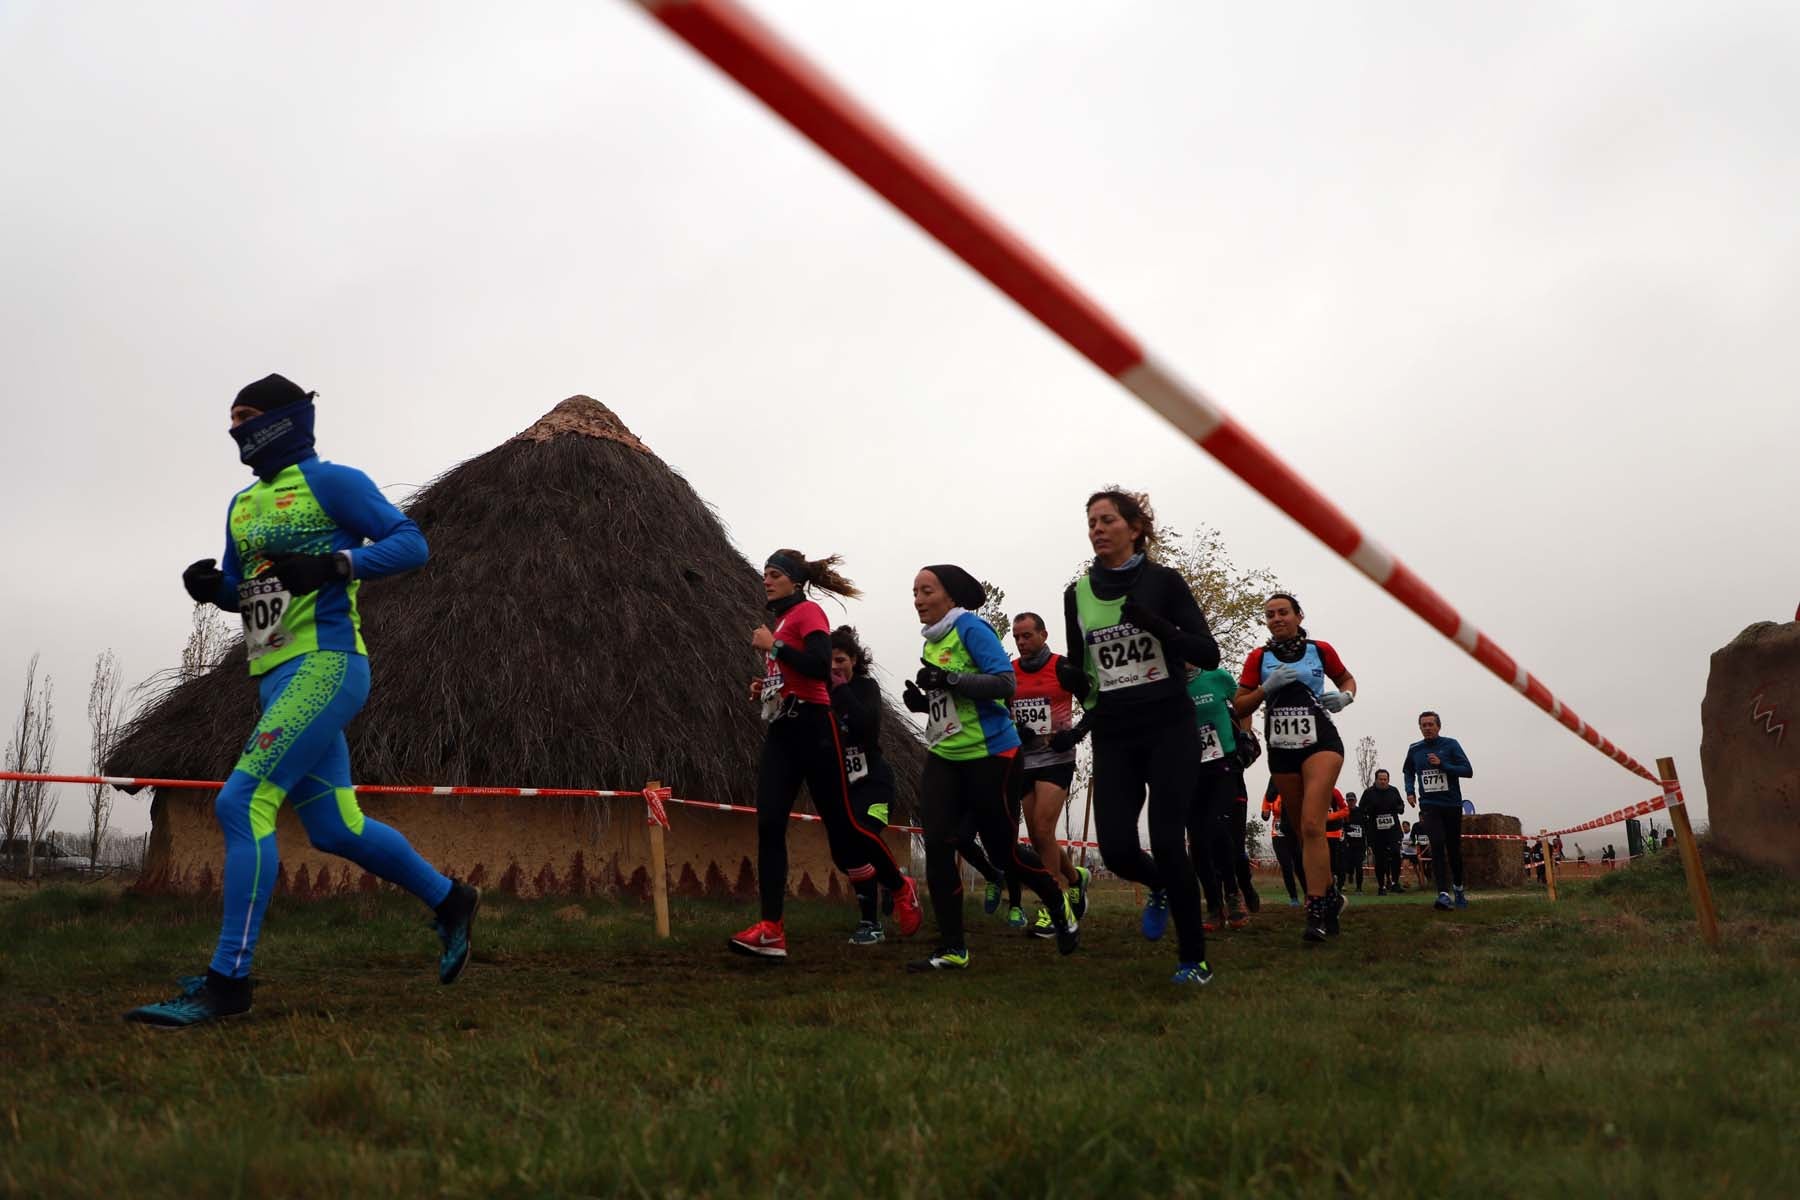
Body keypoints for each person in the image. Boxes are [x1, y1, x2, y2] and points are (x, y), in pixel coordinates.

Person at [126, 374, 479, 1028]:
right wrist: (212, 589)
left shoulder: (334, 482)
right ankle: (450, 898)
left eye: (247, 416)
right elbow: (244, 588)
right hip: (274, 674)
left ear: (283, 420)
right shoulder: (242, 505)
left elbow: (411, 543)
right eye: (229, 418)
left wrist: (337, 565)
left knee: (242, 800)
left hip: (327, 663)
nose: (235, 429)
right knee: (334, 829)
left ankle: (228, 979)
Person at [1060, 489, 1220, 984]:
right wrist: (1074, 682)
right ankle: (1161, 887)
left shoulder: (1165, 583)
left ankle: (1194, 958)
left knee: (1170, 840)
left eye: (1107, 520)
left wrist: (1159, 626)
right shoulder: (1076, 594)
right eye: (1091, 522)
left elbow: (1208, 653)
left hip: (1168, 724)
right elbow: (1087, 673)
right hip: (1114, 732)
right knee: (1116, 849)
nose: (1097, 529)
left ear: (1134, 528)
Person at [731, 551, 922, 958]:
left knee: (847, 827)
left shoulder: (808, 613)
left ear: (795, 581)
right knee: (768, 823)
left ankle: (899, 884)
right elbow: (792, 676)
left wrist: (775, 646)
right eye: (765, 574)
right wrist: (765, 687)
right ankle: (772, 929)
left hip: (815, 728)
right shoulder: (782, 622)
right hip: (782, 729)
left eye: (775, 574)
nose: (766, 580)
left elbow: (820, 667)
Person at [907, 565, 1076, 970]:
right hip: (946, 754)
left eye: (926, 591)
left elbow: (1004, 684)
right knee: (939, 845)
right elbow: (952, 698)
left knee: (1003, 853)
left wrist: (948, 678)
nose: (917, 599)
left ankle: (1057, 901)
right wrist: (924, 700)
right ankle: (953, 947)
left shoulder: (970, 628)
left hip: (992, 755)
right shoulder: (932, 639)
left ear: (949, 596)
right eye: (913, 592)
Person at [1235, 592, 1358, 943]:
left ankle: (1316, 909)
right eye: (1270, 614)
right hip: (1281, 749)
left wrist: (1346, 696)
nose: (1277, 619)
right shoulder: (1258, 658)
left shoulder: (1321, 650)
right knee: (1300, 832)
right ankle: (1330, 896)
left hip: (1321, 743)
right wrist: (1264, 690)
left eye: (1283, 612)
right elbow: (1240, 704)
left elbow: (1347, 679)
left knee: (1311, 824)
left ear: (1299, 616)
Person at [1007, 612, 1092, 938]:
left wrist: (1075, 734)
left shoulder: (1062, 667)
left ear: (1043, 634)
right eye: (1017, 637)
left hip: (1057, 758)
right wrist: (1017, 729)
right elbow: (1002, 710)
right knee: (1040, 834)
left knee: (1042, 827)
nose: (1021, 642)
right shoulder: (1011, 673)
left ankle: (1054, 907)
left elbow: (1094, 705)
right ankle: (1075, 878)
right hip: (1024, 761)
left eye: (1027, 635)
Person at [828, 626, 901, 945]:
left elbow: (866, 728)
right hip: (844, 787)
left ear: (854, 660)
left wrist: (842, 690)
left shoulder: (866, 687)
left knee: (861, 837)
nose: (834, 667)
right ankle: (889, 878)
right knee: (843, 855)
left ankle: (871, 923)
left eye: (841, 660)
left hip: (875, 785)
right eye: (828, 662)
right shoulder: (820, 692)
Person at [1185, 661, 1248, 931]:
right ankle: (1213, 905)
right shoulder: (1168, 683)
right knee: (1197, 841)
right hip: (1187, 769)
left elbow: (1245, 706)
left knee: (1217, 825)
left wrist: (1245, 733)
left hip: (1222, 763)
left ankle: (1233, 895)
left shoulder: (1217, 677)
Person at [1402, 711, 1475, 912]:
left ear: (1438, 726)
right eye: (1423, 725)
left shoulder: (1451, 745)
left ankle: (1458, 889)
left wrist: (1443, 765)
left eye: (1430, 724)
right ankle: (1442, 894)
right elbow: (1408, 770)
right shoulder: (1415, 749)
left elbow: (1467, 770)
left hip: (1451, 804)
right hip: (1429, 804)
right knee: (1436, 843)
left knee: (1453, 849)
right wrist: (1409, 791)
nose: (1427, 728)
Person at [1359, 769, 1406, 894]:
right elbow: (1361, 809)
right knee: (1380, 859)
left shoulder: (1393, 791)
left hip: (1392, 830)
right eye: (1381, 779)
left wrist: (1398, 808)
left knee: (1396, 854)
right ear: (1376, 780)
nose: (1383, 782)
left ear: (1388, 780)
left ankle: (1395, 883)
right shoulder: (1368, 792)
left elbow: (1401, 807)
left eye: (1385, 779)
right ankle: (1381, 886)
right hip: (1376, 831)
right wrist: (1369, 811)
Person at [1264, 784, 1302, 906]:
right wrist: (1265, 814)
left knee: (1299, 865)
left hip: (1293, 834)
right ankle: (1293, 897)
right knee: (1286, 866)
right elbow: (1265, 811)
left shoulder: (1293, 791)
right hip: (1278, 835)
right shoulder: (1271, 793)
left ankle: (1309, 894)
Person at [1341, 793, 1367, 893]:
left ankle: (1359, 888)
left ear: (1356, 800)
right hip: (1347, 844)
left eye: (1352, 800)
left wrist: (1367, 843)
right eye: (1349, 800)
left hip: (1359, 844)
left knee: (1359, 866)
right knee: (1347, 866)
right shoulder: (1343, 812)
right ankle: (1348, 876)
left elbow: (1366, 827)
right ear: (1346, 801)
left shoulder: (1361, 811)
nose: (1351, 802)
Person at [1401, 820, 1427, 888]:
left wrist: (1411, 844)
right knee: (1405, 866)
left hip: (1414, 853)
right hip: (1406, 853)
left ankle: (1421, 882)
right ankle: (1406, 883)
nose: (1404, 828)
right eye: (1403, 827)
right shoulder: (1402, 834)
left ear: (1409, 826)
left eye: (1406, 826)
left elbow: (1416, 842)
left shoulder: (1412, 833)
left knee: (1417, 869)